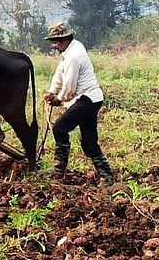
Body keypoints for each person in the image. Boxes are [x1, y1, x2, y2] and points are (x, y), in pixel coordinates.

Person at [42, 22, 116, 186]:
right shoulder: (72, 49)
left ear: (64, 40)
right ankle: (107, 176)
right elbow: (60, 73)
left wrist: (58, 99)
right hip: (91, 99)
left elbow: (69, 86)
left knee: (59, 128)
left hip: (86, 99)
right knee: (89, 141)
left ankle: (59, 169)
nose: (54, 45)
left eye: (55, 41)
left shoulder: (74, 57)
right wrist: (51, 91)